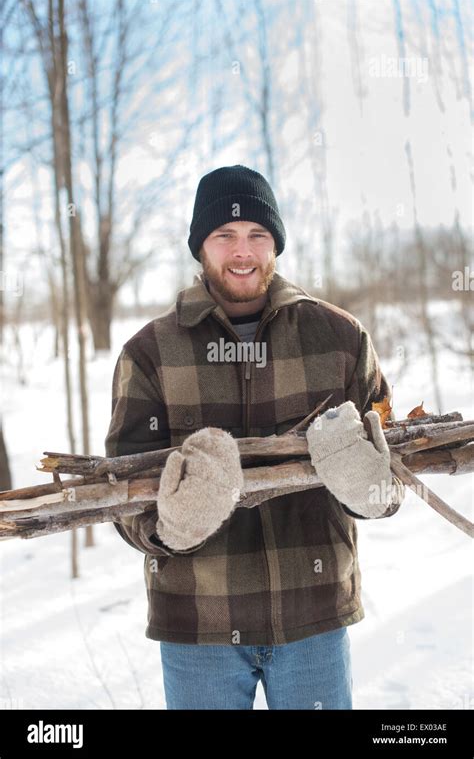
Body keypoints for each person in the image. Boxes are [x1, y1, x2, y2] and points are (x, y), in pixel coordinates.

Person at [105, 164, 405, 710]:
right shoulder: (148, 355)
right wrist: (171, 524)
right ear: (200, 246)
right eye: (225, 235)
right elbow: (121, 498)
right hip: (198, 627)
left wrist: (371, 489)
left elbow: (394, 475)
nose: (242, 251)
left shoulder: (340, 338)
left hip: (313, 617)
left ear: (276, 244)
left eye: (257, 236)